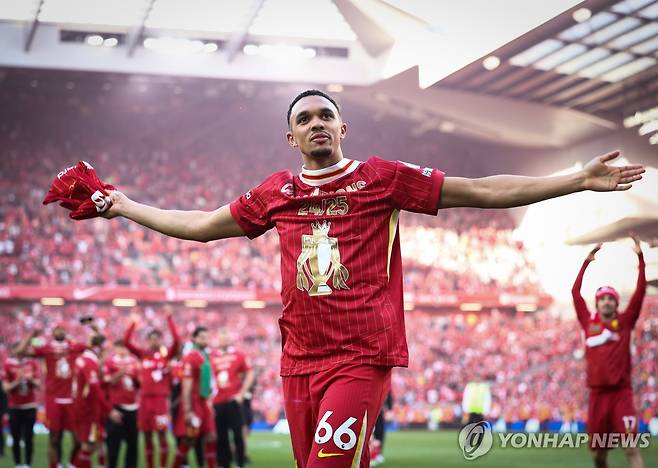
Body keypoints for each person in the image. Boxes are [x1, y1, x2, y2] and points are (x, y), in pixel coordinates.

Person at [103, 89, 644, 467]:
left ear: (343, 128)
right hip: (298, 362)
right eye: (304, 119)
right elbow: (200, 226)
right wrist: (124, 204)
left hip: (360, 357)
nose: (316, 123)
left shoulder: (382, 178)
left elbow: (480, 190)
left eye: (326, 115)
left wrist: (575, 180)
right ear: (291, 137)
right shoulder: (276, 193)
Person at [572, 237, 646, 468]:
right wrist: (586, 262)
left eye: (610, 299)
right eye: (602, 299)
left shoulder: (626, 321)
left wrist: (640, 258)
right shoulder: (588, 322)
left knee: (631, 447)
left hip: (621, 394)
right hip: (597, 396)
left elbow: (640, 292)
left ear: (616, 303)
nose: (606, 302)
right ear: (597, 303)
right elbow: (575, 293)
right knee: (599, 455)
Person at [15, 322, 91, 468]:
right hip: (53, 398)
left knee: (78, 440)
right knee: (54, 438)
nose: (59, 331)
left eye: (62, 328)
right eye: (57, 329)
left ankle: (71, 464)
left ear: (66, 332)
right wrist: (31, 335)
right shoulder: (47, 348)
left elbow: (91, 346)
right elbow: (19, 352)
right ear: (53, 332)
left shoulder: (73, 347)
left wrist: (75, 338)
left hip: (71, 399)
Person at [124, 308, 179, 468]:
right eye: (151, 339)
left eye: (157, 339)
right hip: (145, 401)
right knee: (147, 435)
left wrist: (169, 318)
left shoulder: (166, 356)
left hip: (160, 402)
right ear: (147, 341)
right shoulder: (143, 355)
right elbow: (127, 342)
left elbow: (177, 341)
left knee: (161, 435)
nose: (154, 341)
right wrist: (133, 323)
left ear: (161, 340)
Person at [70, 334, 122, 468]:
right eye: (105, 350)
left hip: (84, 407)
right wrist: (109, 410)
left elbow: (95, 384)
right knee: (88, 445)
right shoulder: (89, 362)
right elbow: (94, 388)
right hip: (87, 410)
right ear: (98, 349)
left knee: (96, 443)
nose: (106, 354)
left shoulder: (82, 359)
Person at [173, 326, 217, 468]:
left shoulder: (204, 355)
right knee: (189, 438)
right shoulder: (191, 357)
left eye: (207, 337)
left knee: (211, 436)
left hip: (204, 402)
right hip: (194, 403)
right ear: (194, 338)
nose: (205, 340)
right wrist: (187, 410)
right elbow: (186, 385)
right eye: (202, 337)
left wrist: (209, 401)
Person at [211, 330, 255, 468]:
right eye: (221, 338)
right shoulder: (211, 356)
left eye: (226, 338)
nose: (223, 341)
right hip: (217, 402)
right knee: (221, 436)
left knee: (238, 435)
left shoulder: (238, 355)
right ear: (218, 340)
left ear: (230, 340)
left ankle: (240, 463)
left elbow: (250, 373)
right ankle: (224, 464)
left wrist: (241, 393)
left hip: (233, 401)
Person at [103, 339, 140, 468]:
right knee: (113, 444)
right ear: (115, 348)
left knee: (132, 444)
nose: (123, 350)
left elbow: (138, 383)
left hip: (132, 407)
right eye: (120, 347)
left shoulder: (134, 362)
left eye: (125, 347)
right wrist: (121, 372)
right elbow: (108, 382)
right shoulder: (110, 362)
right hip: (116, 407)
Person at [2, 343, 39, 468]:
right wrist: (18, 380)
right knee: (15, 437)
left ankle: (27, 464)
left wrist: (30, 379)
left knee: (29, 437)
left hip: (30, 406)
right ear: (14, 351)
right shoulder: (8, 365)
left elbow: (38, 385)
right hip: (15, 407)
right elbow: (6, 388)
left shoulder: (31, 364)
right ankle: (18, 464)